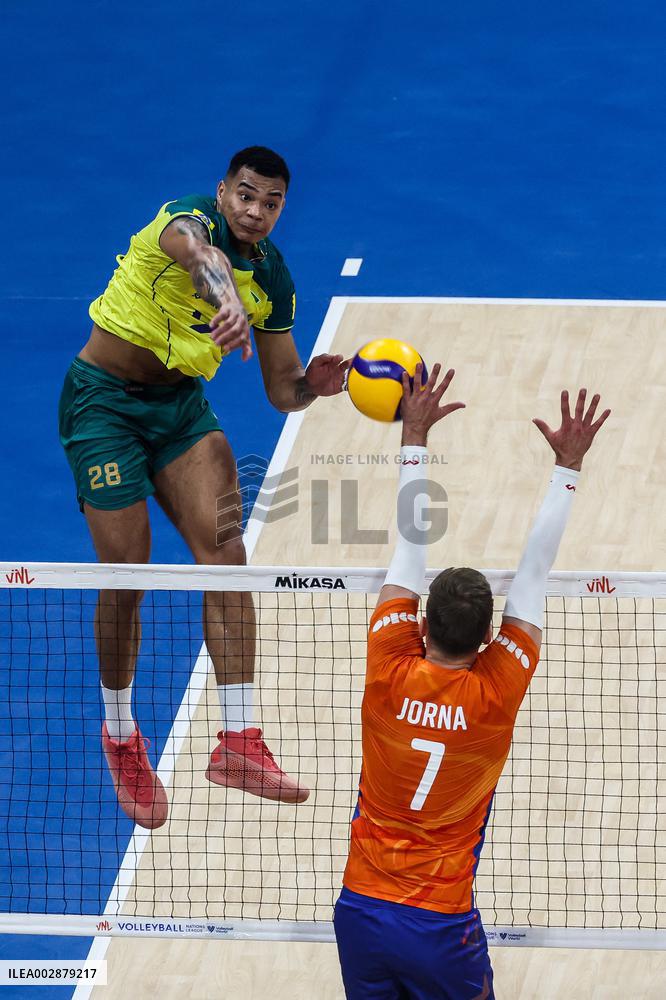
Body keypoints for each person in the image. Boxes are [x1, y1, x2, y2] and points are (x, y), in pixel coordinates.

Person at [58, 146, 348, 830]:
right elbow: (200, 258)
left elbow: (282, 390)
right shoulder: (184, 220)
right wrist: (224, 301)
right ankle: (123, 735)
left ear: (281, 208)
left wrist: (317, 387)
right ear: (223, 192)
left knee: (228, 558)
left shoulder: (273, 278)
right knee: (128, 572)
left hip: (180, 410)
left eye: (270, 203)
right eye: (245, 196)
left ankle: (239, 741)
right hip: (102, 402)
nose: (255, 212)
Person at [333, 366, 610, 999]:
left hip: (359, 914)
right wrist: (568, 467)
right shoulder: (496, 690)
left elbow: (410, 545)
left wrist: (414, 436)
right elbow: (535, 574)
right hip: (439, 926)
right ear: (489, 639)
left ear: (419, 622)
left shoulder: (388, 665)